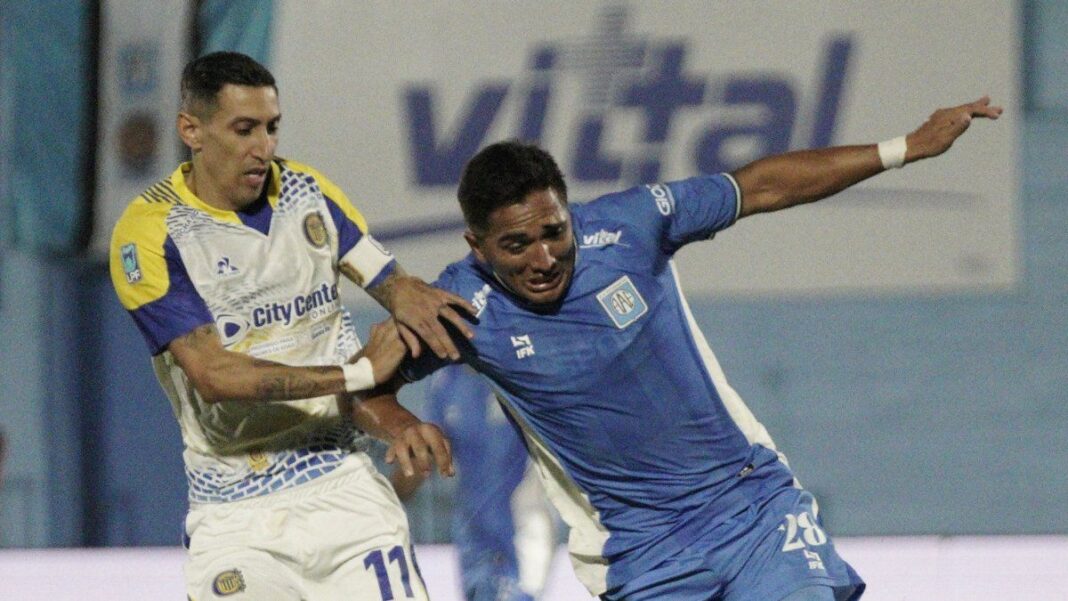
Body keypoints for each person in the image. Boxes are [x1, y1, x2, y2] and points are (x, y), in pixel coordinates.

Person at [392, 97, 1003, 600]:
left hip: (750, 509)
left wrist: (902, 149)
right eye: (518, 244)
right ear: (478, 246)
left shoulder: (630, 225)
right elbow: (367, 378)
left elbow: (759, 186)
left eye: (555, 232)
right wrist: (395, 413)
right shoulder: (457, 305)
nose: (544, 258)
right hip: (640, 555)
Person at [109, 51, 468, 600]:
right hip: (235, 514)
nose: (264, 147)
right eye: (244, 129)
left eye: (272, 127)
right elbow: (213, 374)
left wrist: (400, 418)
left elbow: (395, 289)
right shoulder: (151, 232)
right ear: (192, 131)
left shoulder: (310, 194)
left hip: (343, 489)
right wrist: (356, 374)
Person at [391, 364, 559, 601]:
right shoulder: (447, 378)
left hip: (520, 536)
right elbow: (424, 456)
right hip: (472, 541)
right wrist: (383, 500)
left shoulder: (524, 370)